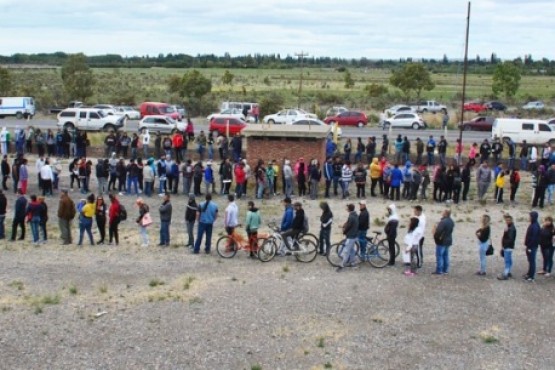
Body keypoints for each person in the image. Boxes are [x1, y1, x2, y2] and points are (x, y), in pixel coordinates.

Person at [336, 203, 359, 272]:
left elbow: (349, 226)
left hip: (351, 236)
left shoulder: (351, 217)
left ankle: (342, 264)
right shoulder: (355, 215)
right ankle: (352, 262)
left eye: (347, 208)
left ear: (349, 209)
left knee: (346, 250)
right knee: (351, 250)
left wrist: (344, 231)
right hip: (354, 235)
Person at [432, 209, 455, 275]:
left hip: (442, 241)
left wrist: (435, 235)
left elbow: (439, 231)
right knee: (446, 255)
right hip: (448, 240)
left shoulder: (443, 222)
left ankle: (439, 270)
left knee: (439, 255)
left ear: (445, 214)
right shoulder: (451, 221)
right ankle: (445, 269)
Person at [497, 214, 517, 280]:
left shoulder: (511, 229)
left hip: (508, 247)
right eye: (506, 220)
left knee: (507, 260)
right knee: (509, 260)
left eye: (508, 220)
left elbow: (510, 239)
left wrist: (504, 246)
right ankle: (508, 272)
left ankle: (505, 274)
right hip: (509, 246)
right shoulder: (510, 227)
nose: (507, 221)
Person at [523, 211, 541, 282]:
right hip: (530, 245)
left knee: (532, 261)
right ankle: (529, 273)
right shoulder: (533, 224)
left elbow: (534, 238)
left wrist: (529, 246)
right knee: (530, 260)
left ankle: (531, 276)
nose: (529, 218)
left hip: (532, 246)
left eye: (530, 216)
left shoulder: (535, 226)